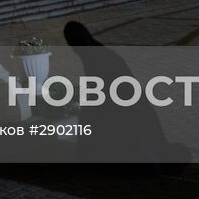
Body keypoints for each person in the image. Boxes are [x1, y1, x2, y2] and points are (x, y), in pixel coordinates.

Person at [63, 21, 187, 173]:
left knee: (135, 143)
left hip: (125, 102)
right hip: (123, 100)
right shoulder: (94, 51)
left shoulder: (91, 54)